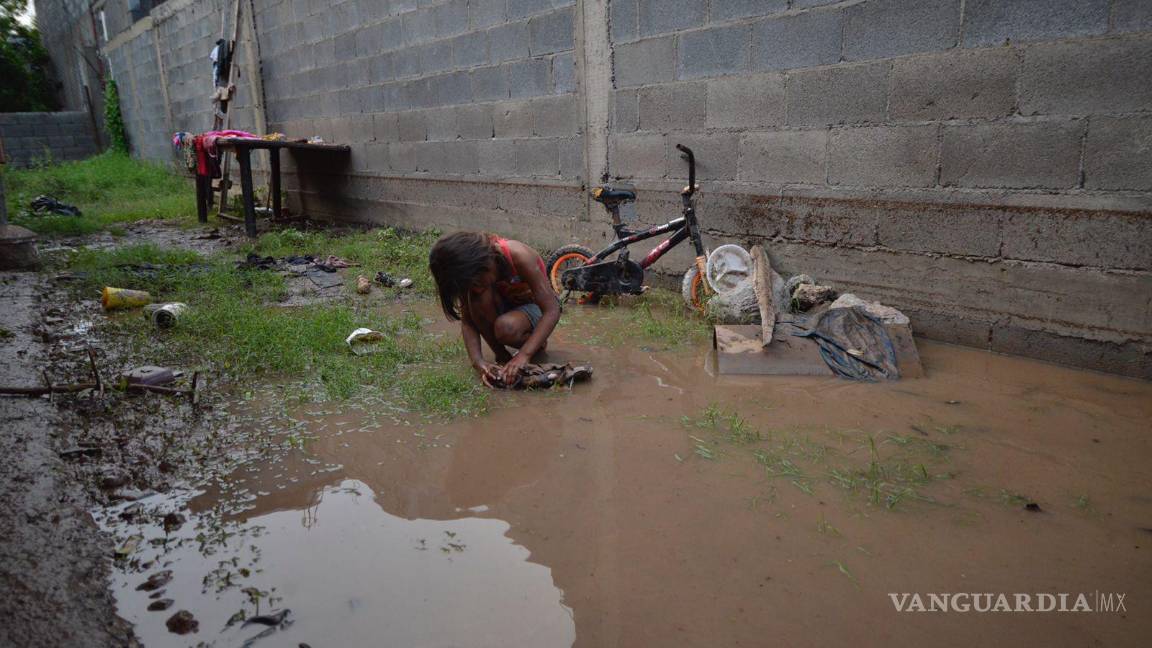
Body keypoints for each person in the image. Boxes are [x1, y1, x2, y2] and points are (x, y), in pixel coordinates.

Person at [429, 232, 561, 387]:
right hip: (507, 307)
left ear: (485, 263)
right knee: (476, 301)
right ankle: (503, 357)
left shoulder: (519, 256)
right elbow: (468, 321)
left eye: (477, 282)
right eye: (471, 285)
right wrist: (478, 362)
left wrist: (524, 355)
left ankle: (536, 345)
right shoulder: (470, 275)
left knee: (506, 327)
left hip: (534, 308)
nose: (475, 288)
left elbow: (552, 310)